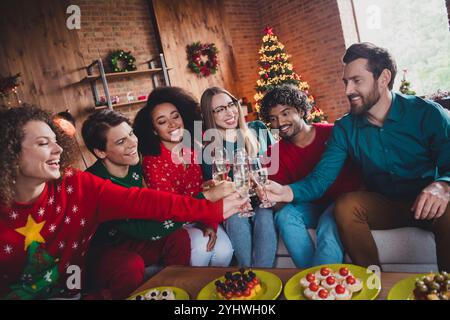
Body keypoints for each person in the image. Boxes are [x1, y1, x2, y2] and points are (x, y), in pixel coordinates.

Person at [0, 105, 247, 300]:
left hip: (74, 279)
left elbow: (145, 201)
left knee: (175, 241)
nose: (58, 150)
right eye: (43, 143)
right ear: (9, 152)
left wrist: (207, 207)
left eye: (55, 140)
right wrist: (206, 204)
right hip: (87, 262)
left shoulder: (76, 183)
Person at [264, 42, 450, 271]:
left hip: (427, 202)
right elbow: (321, 179)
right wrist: (286, 191)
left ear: (383, 78)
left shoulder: (428, 113)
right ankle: (371, 282)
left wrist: (443, 185)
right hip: (385, 203)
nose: (348, 90)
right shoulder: (345, 128)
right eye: (346, 82)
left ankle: (444, 288)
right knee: (346, 205)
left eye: (357, 80)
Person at [82, 109, 196, 299]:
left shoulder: (134, 163)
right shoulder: (95, 183)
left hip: (125, 238)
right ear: (100, 152)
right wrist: (197, 206)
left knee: (178, 237)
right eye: (120, 142)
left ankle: (171, 292)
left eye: (130, 134)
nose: (132, 143)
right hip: (97, 251)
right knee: (130, 264)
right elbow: (143, 230)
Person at [259, 84, 361, 268]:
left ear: (299, 110)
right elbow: (279, 200)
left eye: (285, 113)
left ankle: (319, 284)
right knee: (284, 216)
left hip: (342, 202)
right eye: (273, 118)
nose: (280, 123)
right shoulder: (272, 153)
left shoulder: (333, 133)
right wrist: (265, 194)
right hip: (308, 207)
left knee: (328, 225)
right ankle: (314, 281)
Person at [133, 86, 234, 267]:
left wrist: (210, 222)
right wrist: (206, 200)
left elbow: (212, 185)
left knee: (225, 252)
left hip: (203, 215)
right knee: (202, 249)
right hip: (177, 224)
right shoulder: (152, 161)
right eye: (162, 122)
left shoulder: (195, 144)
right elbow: (172, 207)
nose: (173, 124)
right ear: (154, 130)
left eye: (175, 116)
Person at [200, 86, 277, 267]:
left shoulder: (257, 130)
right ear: (209, 115)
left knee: (265, 216)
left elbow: (276, 170)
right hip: (235, 203)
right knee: (235, 219)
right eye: (220, 109)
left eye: (231, 105)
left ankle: (264, 276)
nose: (229, 112)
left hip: (263, 198)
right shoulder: (207, 149)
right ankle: (247, 277)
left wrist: (260, 185)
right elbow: (214, 188)